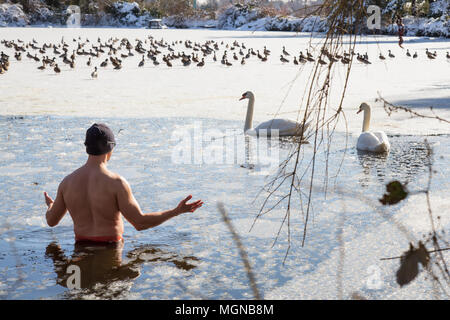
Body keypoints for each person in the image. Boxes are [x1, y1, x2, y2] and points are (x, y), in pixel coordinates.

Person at [44, 123, 203, 243]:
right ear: (110, 149)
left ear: (87, 148)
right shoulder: (116, 183)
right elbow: (140, 223)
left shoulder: (67, 183)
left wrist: (51, 206)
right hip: (111, 249)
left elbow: (51, 221)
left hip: (80, 248)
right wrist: (176, 211)